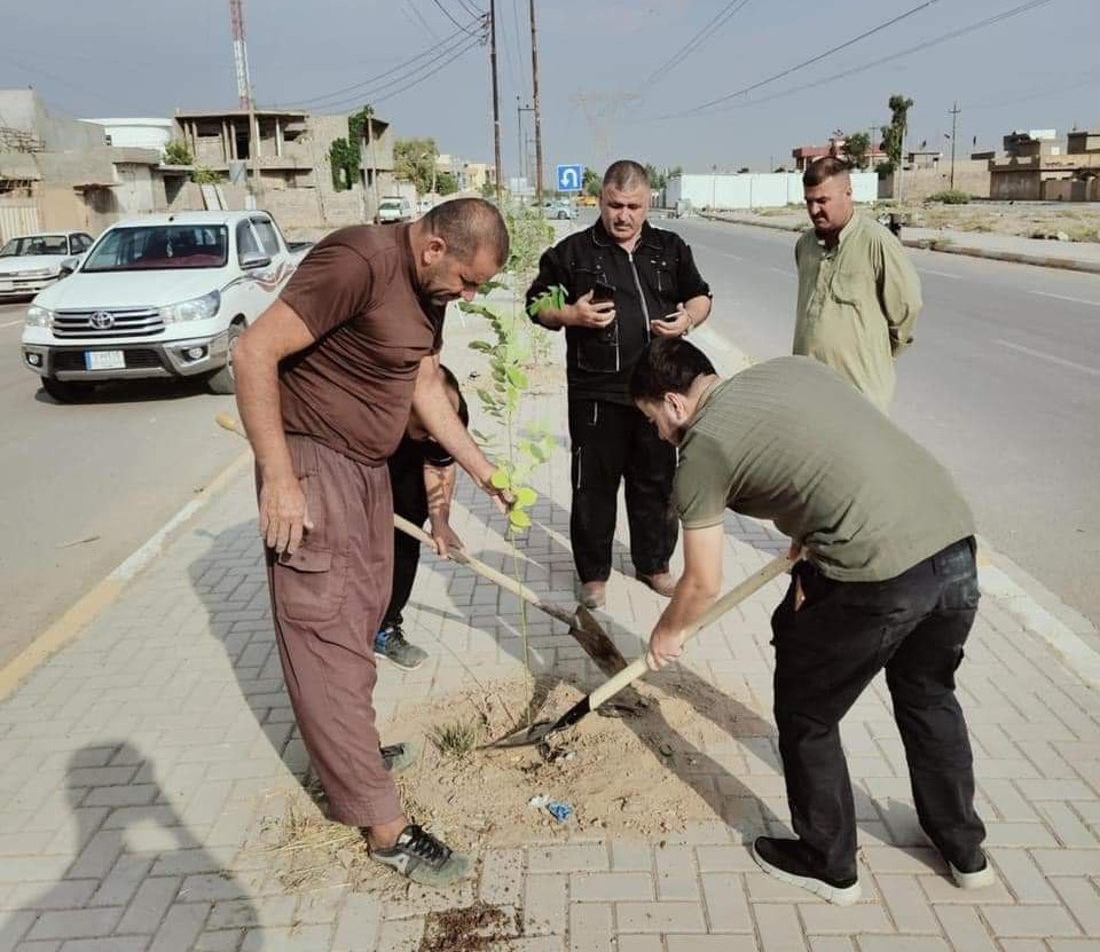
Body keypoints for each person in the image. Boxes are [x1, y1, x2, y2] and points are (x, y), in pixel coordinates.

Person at [631, 337, 991, 906]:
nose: (655, 433)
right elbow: (831, 453)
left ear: (674, 404)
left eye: (651, 419)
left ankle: (828, 862)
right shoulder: (789, 370)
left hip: (877, 573)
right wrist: (810, 526)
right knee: (928, 694)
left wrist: (667, 632)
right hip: (953, 542)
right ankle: (965, 850)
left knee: (807, 711)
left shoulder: (701, 450)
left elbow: (701, 582)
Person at [233, 198, 510, 888]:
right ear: (434, 248)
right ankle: (386, 828)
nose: (470, 297)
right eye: (469, 281)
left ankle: (353, 755)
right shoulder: (358, 260)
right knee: (324, 632)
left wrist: (484, 471)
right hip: (312, 464)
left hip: (365, 471)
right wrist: (278, 477)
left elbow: (422, 384)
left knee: (363, 617)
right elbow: (252, 351)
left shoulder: (430, 294)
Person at [525, 159, 712, 610]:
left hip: (658, 393)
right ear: (600, 200)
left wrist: (687, 318)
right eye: (614, 205)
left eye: (632, 206)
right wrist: (570, 315)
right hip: (597, 394)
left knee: (656, 483)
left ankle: (654, 565)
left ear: (648, 204)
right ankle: (593, 575)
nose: (622, 216)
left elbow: (701, 296)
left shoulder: (670, 249)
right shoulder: (572, 254)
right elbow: (535, 304)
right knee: (594, 487)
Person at [794, 155, 922, 412]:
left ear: (848, 194)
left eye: (822, 201)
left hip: (858, 398)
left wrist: (877, 355)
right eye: (809, 201)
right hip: (809, 391)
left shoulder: (876, 243)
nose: (814, 210)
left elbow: (907, 308)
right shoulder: (805, 246)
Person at [374, 365, 469, 670]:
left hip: (407, 465)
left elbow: (440, 465)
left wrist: (439, 520)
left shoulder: (448, 416)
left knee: (406, 539)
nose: (437, 435)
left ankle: (384, 628)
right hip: (364, 457)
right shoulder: (374, 406)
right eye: (429, 426)